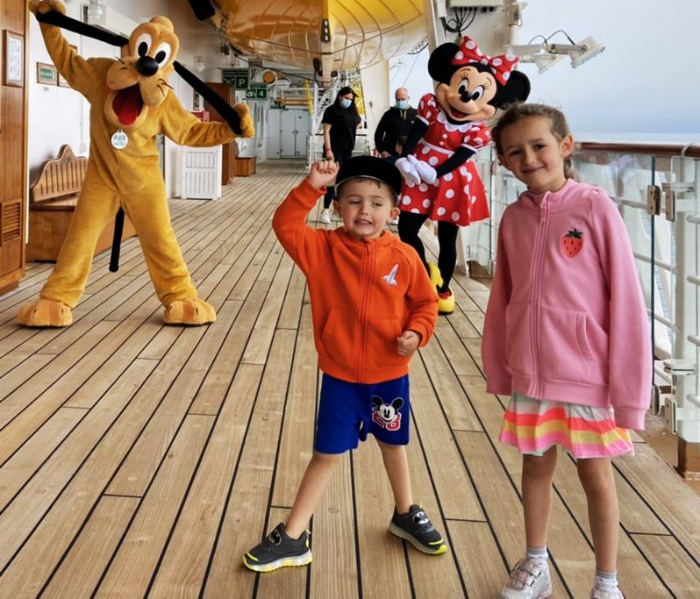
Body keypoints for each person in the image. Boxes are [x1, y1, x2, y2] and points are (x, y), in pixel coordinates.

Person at [243, 155, 445, 572]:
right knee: (327, 454)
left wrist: (418, 333)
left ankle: (405, 511)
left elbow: (426, 304)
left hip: (390, 377)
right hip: (340, 378)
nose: (364, 211)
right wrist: (310, 186)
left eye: (376, 202)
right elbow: (285, 226)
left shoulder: (406, 257)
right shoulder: (322, 249)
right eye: (353, 201)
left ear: (394, 211)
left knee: (394, 444)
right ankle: (295, 536)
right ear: (336, 206)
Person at [481, 103, 651, 599]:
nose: (529, 157)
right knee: (534, 465)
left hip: (586, 373)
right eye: (515, 151)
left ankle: (607, 582)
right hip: (533, 373)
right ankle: (536, 563)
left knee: (595, 473)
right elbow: (503, 297)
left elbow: (625, 297)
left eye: (539, 145)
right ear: (504, 162)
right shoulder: (512, 218)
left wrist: (628, 391)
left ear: (565, 146)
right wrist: (501, 367)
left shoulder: (595, 208)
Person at [395, 36, 530, 315]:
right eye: (462, 86)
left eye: (478, 93)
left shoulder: (476, 130)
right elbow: (416, 132)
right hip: (418, 173)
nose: (466, 96)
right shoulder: (431, 106)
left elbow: (461, 158)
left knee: (447, 236)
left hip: (453, 180)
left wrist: (436, 171)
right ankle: (422, 274)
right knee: (407, 229)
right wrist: (406, 157)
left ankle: (442, 287)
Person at [319, 86, 362, 224]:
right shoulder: (332, 110)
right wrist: (328, 149)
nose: (349, 101)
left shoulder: (353, 112)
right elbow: (326, 131)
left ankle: (337, 210)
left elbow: (358, 123)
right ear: (340, 97)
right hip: (334, 149)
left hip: (347, 150)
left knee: (343, 181)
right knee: (333, 180)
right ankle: (325, 210)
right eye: (346, 98)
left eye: (351, 99)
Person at [374, 87, 416, 160]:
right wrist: (382, 150)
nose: (400, 102)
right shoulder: (388, 114)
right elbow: (378, 134)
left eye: (403, 99)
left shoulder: (416, 114)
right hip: (390, 156)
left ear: (408, 98)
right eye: (398, 99)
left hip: (410, 156)